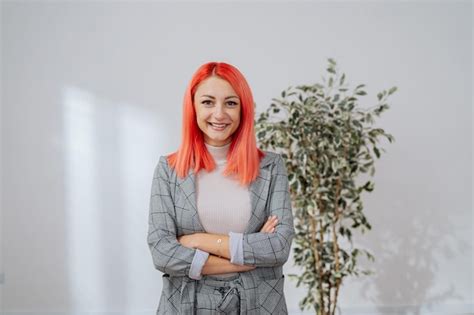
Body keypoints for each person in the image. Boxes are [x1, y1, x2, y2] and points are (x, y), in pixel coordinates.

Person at [147, 61, 295, 314]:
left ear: (243, 109)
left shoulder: (271, 167)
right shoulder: (168, 169)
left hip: (259, 305)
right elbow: (162, 252)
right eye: (208, 102)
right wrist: (246, 257)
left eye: (230, 102)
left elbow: (279, 246)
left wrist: (197, 241)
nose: (219, 114)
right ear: (192, 107)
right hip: (186, 306)